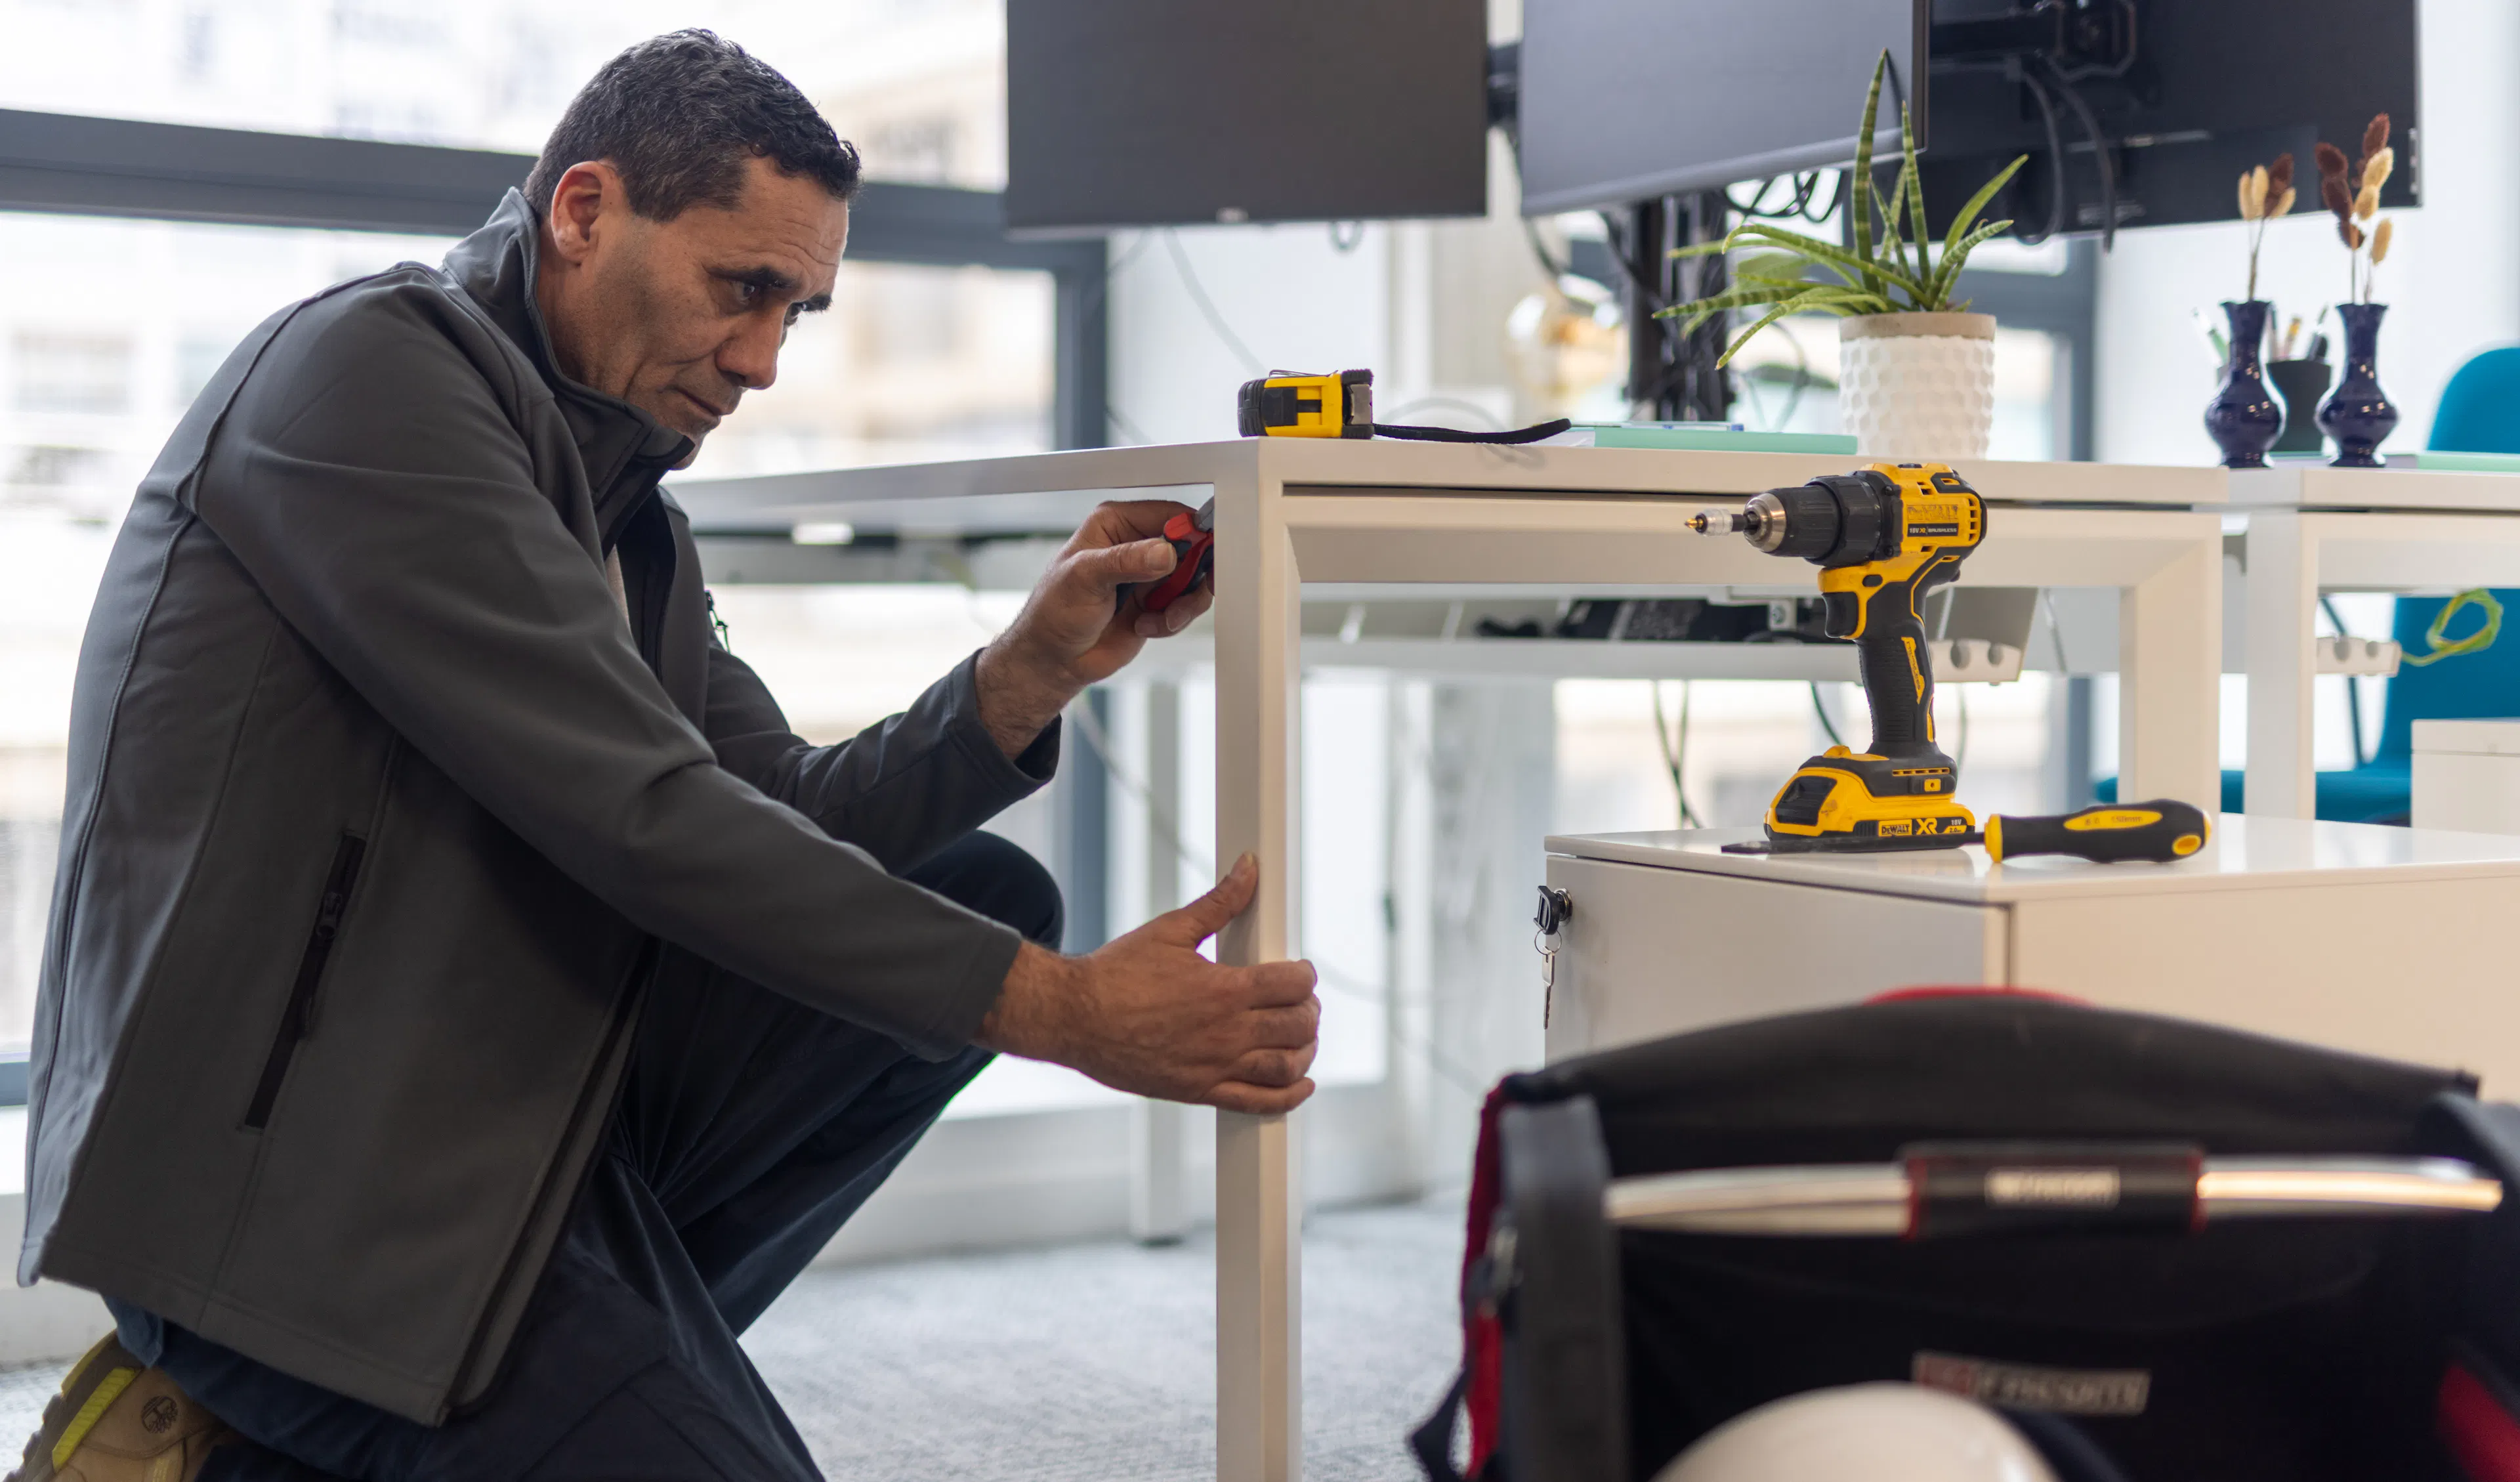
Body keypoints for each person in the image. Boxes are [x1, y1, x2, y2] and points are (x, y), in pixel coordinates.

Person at [7, 30, 1317, 1482]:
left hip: (507, 1152)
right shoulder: (364, 385)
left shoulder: (626, 511)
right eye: (741, 290)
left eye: (798, 313)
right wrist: (1061, 1015)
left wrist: (1022, 678)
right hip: (285, 1200)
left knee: (986, 897)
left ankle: (345, 1434)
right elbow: (648, 818)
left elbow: (789, 812)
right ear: (583, 212)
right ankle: (300, 1409)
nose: (761, 359)